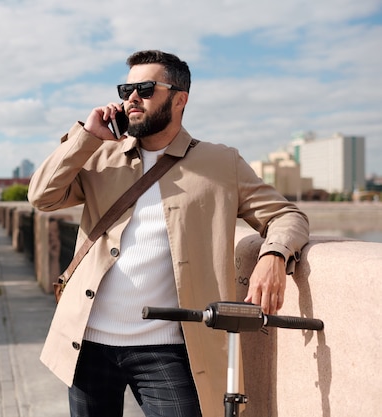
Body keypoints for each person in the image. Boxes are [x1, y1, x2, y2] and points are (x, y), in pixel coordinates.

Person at [27, 50, 309, 417]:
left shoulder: (221, 163)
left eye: (145, 89)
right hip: (87, 342)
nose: (131, 98)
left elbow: (287, 215)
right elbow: (41, 197)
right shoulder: (101, 155)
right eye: (126, 88)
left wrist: (273, 255)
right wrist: (85, 137)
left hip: (168, 349)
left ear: (180, 99)